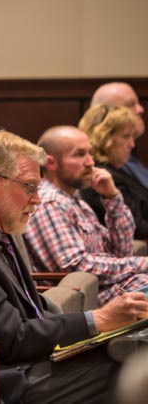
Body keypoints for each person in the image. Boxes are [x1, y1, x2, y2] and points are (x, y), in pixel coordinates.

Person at [0, 129, 148, 403]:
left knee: (129, 347)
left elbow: (29, 309)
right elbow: (14, 339)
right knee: (131, 364)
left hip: (25, 362)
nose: (38, 199)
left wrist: (92, 329)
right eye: (30, 187)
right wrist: (99, 319)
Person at [25, 125, 148, 303]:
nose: (90, 162)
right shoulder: (49, 203)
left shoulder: (76, 201)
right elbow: (76, 267)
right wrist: (143, 264)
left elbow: (123, 252)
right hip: (102, 302)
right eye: (79, 154)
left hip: (124, 288)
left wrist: (112, 198)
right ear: (50, 163)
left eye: (89, 153)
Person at [79, 105, 148, 239]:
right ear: (103, 138)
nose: (132, 145)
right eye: (126, 136)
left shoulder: (121, 170)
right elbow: (137, 228)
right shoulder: (101, 177)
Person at [91, 82, 148, 188]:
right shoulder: (99, 171)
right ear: (105, 117)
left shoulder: (129, 158)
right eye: (130, 105)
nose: (140, 109)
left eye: (137, 103)